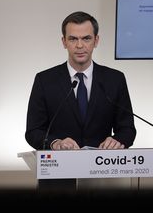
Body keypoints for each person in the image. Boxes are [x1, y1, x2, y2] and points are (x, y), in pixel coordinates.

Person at [25, 11, 136, 191]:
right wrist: (55, 143)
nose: (79, 45)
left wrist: (118, 141)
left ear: (96, 41)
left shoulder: (115, 79)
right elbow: (33, 131)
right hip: (57, 181)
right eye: (72, 39)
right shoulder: (45, 80)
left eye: (86, 38)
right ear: (64, 42)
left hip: (103, 179)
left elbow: (128, 129)